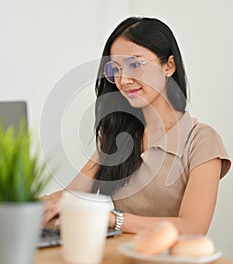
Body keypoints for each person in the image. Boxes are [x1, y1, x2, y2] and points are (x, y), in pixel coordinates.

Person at [43, 16, 231, 235]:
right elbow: (71, 196)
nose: (124, 80)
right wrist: (32, 205)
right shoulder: (117, 137)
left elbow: (193, 227)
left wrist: (114, 219)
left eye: (135, 64)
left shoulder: (202, 140)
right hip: (120, 262)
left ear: (168, 65)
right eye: (116, 69)